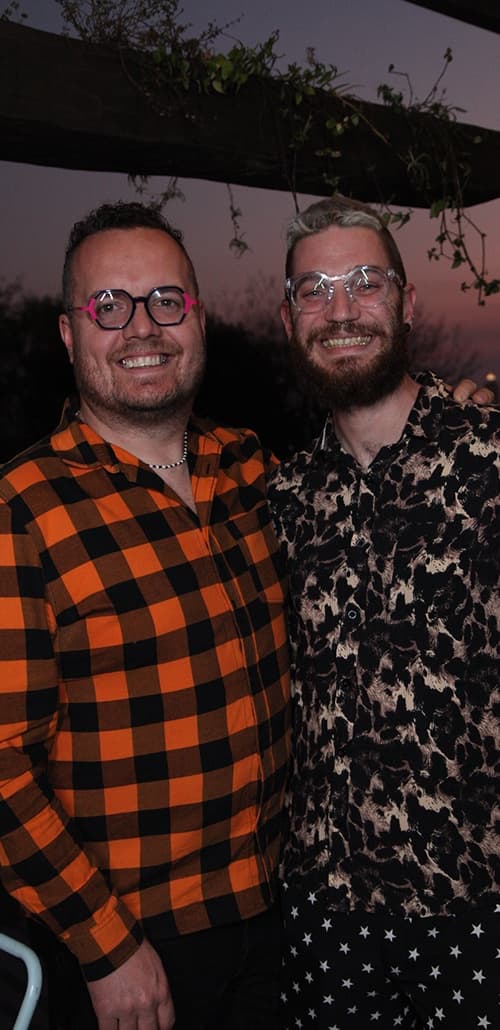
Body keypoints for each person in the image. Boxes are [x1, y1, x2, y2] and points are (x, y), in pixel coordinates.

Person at [0, 201, 291, 1030]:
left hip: (275, 922)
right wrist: (104, 945)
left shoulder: (250, 468)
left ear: (197, 318)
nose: (142, 328)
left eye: (167, 300)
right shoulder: (21, 508)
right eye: (109, 306)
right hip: (131, 953)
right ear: (68, 334)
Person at [267, 194, 499, 1030]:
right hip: (326, 912)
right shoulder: (281, 500)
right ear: (288, 315)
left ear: (406, 300)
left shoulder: (489, 460)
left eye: (365, 282)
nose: (341, 311)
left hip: (479, 908)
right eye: (316, 288)